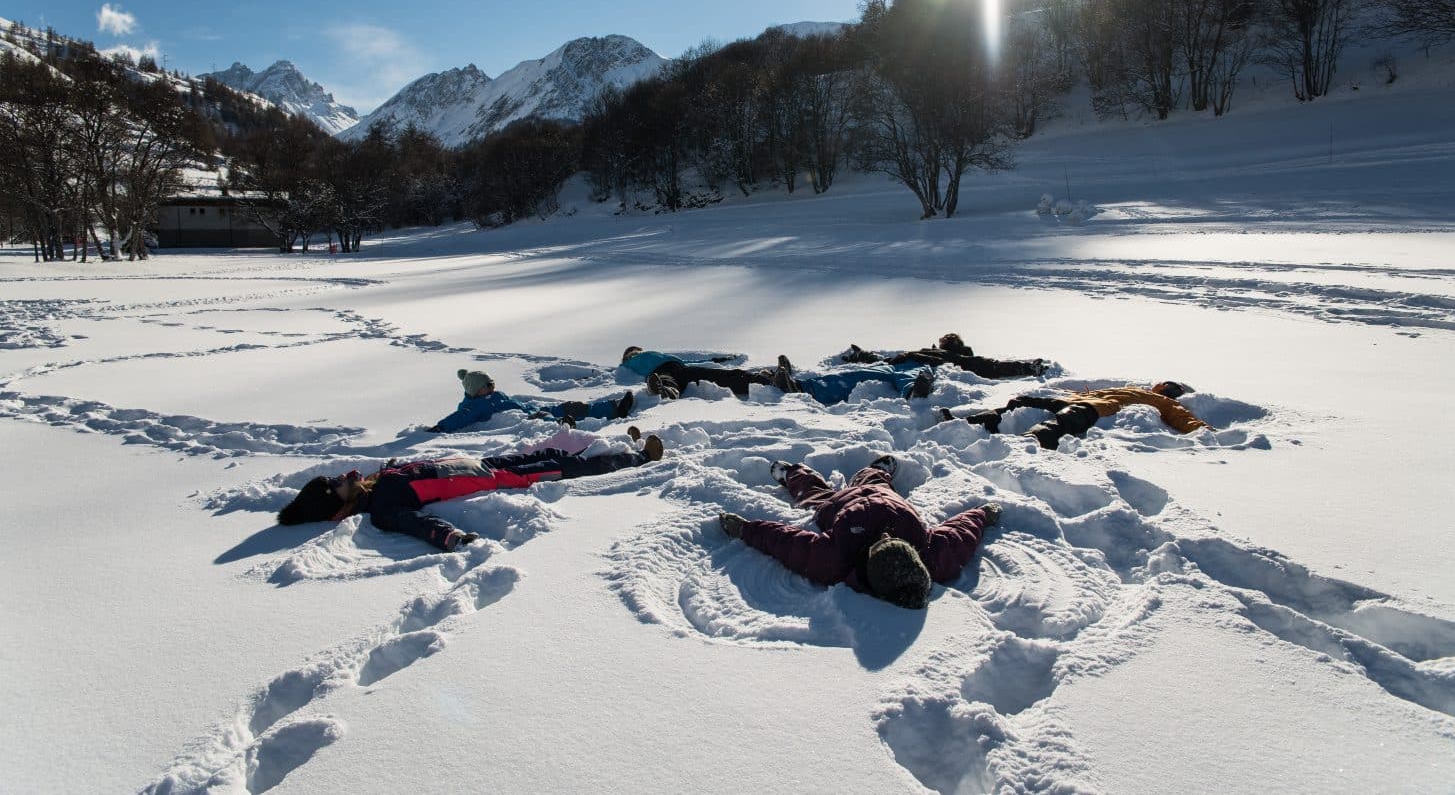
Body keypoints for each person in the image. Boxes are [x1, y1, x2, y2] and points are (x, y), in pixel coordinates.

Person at [277, 429, 666, 551]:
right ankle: (638, 461)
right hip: (498, 481)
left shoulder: (381, 481)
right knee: (563, 468)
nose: (346, 475)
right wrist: (450, 538)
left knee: (551, 452)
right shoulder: (383, 506)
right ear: (339, 508)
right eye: (339, 483)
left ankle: (613, 449)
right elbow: (415, 523)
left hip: (485, 465)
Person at [717, 456, 1001, 609]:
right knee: (875, 479)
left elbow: (787, 543)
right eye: (895, 541)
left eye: (883, 543)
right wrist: (983, 515)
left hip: (835, 506)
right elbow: (960, 534)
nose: (886, 536)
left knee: (812, 493)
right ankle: (874, 470)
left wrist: (745, 529)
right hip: (882, 494)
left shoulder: (834, 559)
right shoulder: (932, 556)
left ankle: (793, 474)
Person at [943, 380, 1207, 449]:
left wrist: (1203, 432)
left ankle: (1026, 445)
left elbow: (1184, 419)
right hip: (1077, 400)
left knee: (1060, 423)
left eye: (1164, 388)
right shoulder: (1132, 389)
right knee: (1020, 402)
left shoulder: (1163, 403)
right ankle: (968, 423)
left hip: (1092, 409)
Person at [429, 369, 633, 433]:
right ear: (476, 390)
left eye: (492, 383)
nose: (492, 387)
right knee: (547, 418)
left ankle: (614, 408)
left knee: (572, 407)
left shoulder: (494, 395)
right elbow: (459, 418)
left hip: (533, 409)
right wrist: (440, 427)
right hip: (527, 418)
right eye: (487, 386)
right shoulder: (474, 406)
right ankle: (564, 430)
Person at [841, 332, 1048, 380]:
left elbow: (885, 360)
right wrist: (1028, 367)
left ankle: (857, 359)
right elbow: (994, 367)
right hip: (918, 366)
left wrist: (863, 355)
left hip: (907, 361)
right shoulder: (960, 359)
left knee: (881, 369)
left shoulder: (929, 351)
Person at [620, 346, 775, 399]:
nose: (636, 353)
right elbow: (621, 375)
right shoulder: (627, 365)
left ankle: (762, 380)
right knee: (665, 380)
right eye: (633, 353)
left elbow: (692, 362)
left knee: (718, 376)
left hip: (681, 369)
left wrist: (718, 359)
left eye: (637, 351)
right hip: (659, 372)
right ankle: (665, 391)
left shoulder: (658, 355)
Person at [770, 355, 935, 404]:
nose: (945, 339)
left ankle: (914, 392)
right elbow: (874, 357)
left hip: (918, 364)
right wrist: (859, 355)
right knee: (857, 376)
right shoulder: (914, 351)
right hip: (892, 364)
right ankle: (801, 387)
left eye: (949, 338)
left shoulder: (944, 353)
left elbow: (961, 357)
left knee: (910, 376)